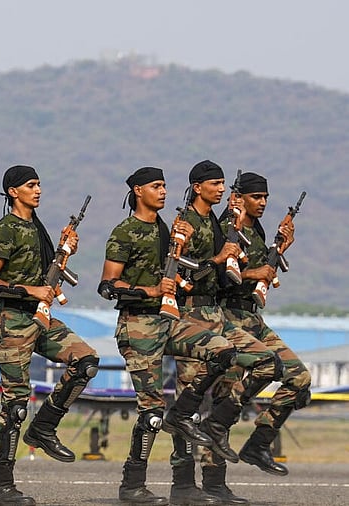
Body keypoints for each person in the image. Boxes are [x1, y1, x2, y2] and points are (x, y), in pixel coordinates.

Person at [101, 167, 251, 505]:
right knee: (151, 411)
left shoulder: (167, 229)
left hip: (170, 322)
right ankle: (132, 485)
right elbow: (108, 285)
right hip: (137, 326)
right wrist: (151, 290)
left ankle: (181, 414)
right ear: (138, 191)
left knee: (224, 352)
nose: (164, 191)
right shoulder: (125, 231)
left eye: (165, 186)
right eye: (156, 186)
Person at [0, 165, 100, 506]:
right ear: (13, 192)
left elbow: (47, 278)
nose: (38, 190)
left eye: (39, 184)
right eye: (31, 185)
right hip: (11, 321)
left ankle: (44, 427)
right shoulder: (6, 229)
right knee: (15, 404)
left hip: (39, 321)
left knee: (86, 361)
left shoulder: (36, 228)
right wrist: (29, 290)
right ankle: (0, 486)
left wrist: (64, 251)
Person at [171, 160, 279, 504]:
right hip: (190, 315)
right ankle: (183, 484)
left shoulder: (217, 225)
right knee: (187, 404)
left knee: (222, 397)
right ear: (197, 186)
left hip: (217, 314)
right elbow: (178, 273)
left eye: (223, 184)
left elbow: (227, 276)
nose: (221, 189)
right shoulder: (187, 222)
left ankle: (215, 482)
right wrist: (219, 260)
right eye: (215, 183)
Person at [216, 172, 311, 476]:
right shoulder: (225, 230)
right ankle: (212, 480)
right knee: (225, 394)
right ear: (239, 198)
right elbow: (217, 278)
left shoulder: (255, 231)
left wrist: (281, 250)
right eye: (257, 197)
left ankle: (259, 443)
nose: (263, 203)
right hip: (228, 318)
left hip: (253, 318)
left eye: (266, 197)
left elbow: (263, 270)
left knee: (299, 377)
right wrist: (255, 274)